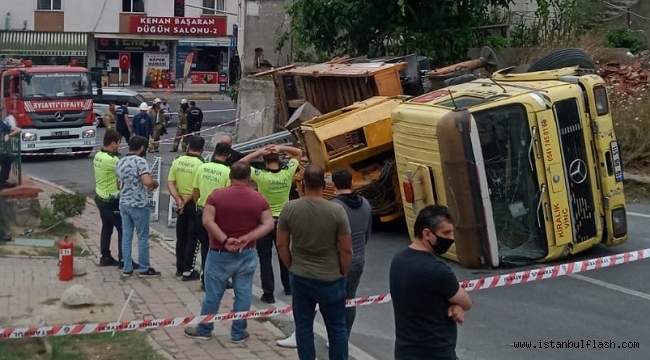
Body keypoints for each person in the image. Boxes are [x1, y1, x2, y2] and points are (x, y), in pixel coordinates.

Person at [276, 167, 372, 348]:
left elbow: (333, 241)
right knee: (349, 300)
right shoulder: (365, 204)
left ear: (332, 184)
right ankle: (343, 337)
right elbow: (367, 233)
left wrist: (341, 268)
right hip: (356, 260)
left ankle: (301, 335)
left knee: (310, 303)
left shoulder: (334, 208)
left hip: (334, 265)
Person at [184, 161, 275, 342]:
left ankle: (205, 329)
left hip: (219, 252)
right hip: (246, 252)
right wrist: (249, 237)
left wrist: (225, 240)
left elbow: (208, 221)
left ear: (229, 176)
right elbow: (268, 223)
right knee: (243, 293)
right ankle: (238, 332)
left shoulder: (216, 196)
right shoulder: (259, 199)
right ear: (249, 178)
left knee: (213, 294)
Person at [389, 205, 473, 360]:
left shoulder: (398, 260)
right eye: (446, 233)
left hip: (405, 352)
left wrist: (452, 303)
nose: (451, 238)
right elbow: (466, 302)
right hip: (435, 352)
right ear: (427, 233)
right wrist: (455, 303)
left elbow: (424, 298)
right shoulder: (438, 271)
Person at [240, 144, 303, 304]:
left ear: (264, 160)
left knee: (265, 258)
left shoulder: (261, 175)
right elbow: (298, 153)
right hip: (283, 221)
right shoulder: (287, 172)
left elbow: (240, 165)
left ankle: (268, 293)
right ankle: (288, 286)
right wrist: (280, 147)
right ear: (278, 158)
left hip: (264, 221)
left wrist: (259, 152)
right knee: (284, 253)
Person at [115, 135, 161, 277]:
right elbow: (147, 181)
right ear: (142, 148)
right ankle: (144, 268)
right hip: (139, 204)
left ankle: (127, 267)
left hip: (124, 202)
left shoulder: (120, 162)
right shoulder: (140, 162)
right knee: (142, 237)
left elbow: (118, 183)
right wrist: (155, 183)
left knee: (126, 236)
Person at [191, 142, 232, 288]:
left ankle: (205, 278)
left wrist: (198, 206)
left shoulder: (202, 167)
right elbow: (228, 197)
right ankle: (217, 279)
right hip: (217, 215)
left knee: (205, 247)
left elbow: (195, 191)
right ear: (228, 156)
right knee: (219, 249)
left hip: (201, 211)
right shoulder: (227, 171)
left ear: (214, 152)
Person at [167, 136, 206, 280]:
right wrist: (186, 200)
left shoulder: (177, 161)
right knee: (192, 237)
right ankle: (188, 270)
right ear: (202, 149)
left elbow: (170, 183)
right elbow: (198, 188)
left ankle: (180, 267)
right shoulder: (201, 165)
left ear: (188, 147)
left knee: (181, 236)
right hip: (193, 203)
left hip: (180, 202)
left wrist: (178, 199)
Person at [94, 130, 125, 267]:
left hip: (100, 196)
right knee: (123, 229)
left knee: (107, 227)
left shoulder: (98, 155)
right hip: (111, 200)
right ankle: (124, 260)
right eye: (118, 143)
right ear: (113, 143)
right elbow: (122, 178)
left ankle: (105, 256)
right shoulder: (113, 160)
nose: (119, 146)